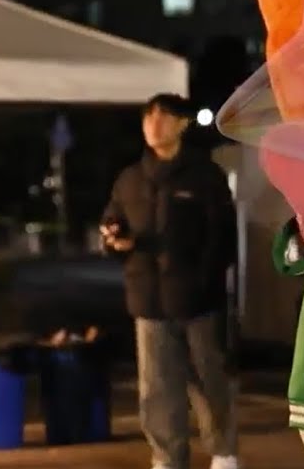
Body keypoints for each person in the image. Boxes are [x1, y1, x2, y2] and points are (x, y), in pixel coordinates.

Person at [101, 94, 239, 469]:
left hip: (199, 300)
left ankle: (223, 452)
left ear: (182, 124)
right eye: (148, 117)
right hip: (148, 299)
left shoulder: (205, 176)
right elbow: (113, 222)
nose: (154, 124)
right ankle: (166, 458)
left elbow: (223, 237)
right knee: (157, 389)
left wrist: (206, 280)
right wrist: (114, 239)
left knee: (209, 379)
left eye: (163, 117)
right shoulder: (130, 178)